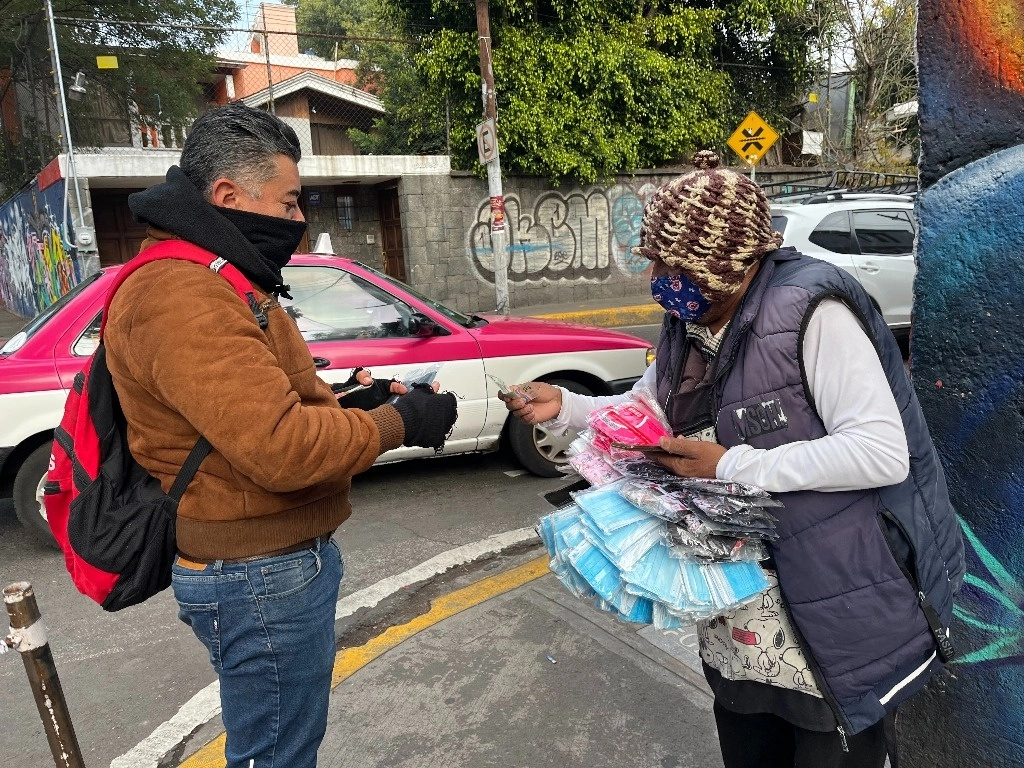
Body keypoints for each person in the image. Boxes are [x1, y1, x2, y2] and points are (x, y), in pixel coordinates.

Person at [504, 151, 964, 768]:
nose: (657, 279)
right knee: (749, 748)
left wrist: (729, 465)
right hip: (736, 611)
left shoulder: (813, 315)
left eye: (669, 265)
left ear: (722, 263)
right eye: (655, 263)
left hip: (831, 611)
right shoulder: (687, 322)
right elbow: (651, 407)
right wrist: (566, 406)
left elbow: (881, 454)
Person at [103, 104, 457, 768]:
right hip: (257, 576)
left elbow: (258, 408)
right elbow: (279, 446)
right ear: (229, 197)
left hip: (266, 567)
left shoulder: (214, 277)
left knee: (279, 746)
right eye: (290, 203)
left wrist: (364, 400)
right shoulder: (184, 294)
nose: (299, 222)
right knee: (276, 756)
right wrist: (399, 423)